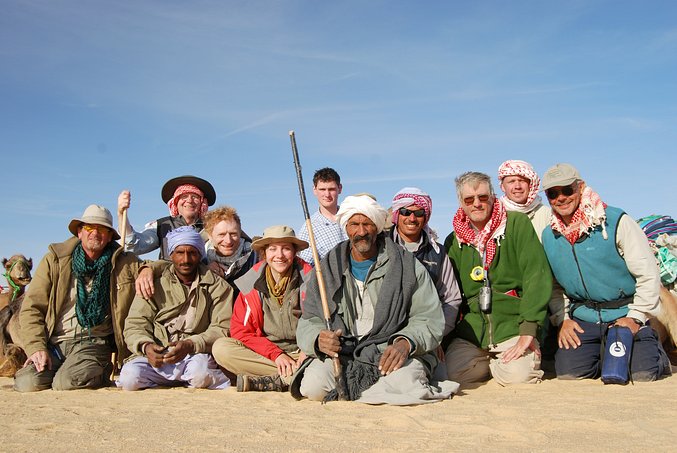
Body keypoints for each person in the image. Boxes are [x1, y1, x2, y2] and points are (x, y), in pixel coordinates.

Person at [292, 195, 459, 405]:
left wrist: (406, 342)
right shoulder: (327, 267)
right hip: (344, 352)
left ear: (377, 227)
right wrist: (318, 339)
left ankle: (367, 390)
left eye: (367, 224)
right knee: (313, 387)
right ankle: (370, 391)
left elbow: (428, 318)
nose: (361, 232)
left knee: (404, 385)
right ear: (346, 227)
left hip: (391, 352)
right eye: (354, 224)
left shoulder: (407, 265)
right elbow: (309, 318)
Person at [541, 163, 670, 381]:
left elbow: (648, 274)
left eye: (567, 190)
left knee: (641, 374)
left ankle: (657, 354)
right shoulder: (549, 235)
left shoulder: (615, 221)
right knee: (569, 374)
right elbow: (554, 286)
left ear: (580, 188)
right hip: (583, 318)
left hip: (624, 313)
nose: (560, 198)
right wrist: (563, 318)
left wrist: (635, 318)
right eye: (553, 194)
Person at [15, 205, 140, 392]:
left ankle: (101, 370)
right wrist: (36, 347)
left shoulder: (124, 262)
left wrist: (146, 270)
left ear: (109, 236)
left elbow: (161, 268)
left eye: (102, 229)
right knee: (27, 383)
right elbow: (32, 308)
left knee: (66, 382)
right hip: (56, 343)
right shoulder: (55, 261)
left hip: (94, 342)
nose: (95, 233)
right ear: (80, 232)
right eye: (90, 228)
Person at [444, 172, 552, 386]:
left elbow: (536, 276)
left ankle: (507, 361)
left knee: (518, 378)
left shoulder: (516, 224)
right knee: (452, 375)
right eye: (469, 199)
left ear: (493, 197)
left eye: (483, 197)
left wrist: (528, 330)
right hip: (473, 333)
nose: (477, 204)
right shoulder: (453, 241)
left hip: (513, 326)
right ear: (461, 203)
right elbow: (448, 293)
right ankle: (494, 361)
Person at [117, 226, 233, 390]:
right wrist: (146, 346)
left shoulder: (218, 286)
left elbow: (222, 327)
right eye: (180, 252)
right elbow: (135, 324)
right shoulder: (153, 283)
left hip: (194, 355)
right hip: (157, 355)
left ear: (200, 254)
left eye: (192, 253)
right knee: (130, 378)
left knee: (200, 374)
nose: (186, 259)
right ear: (171, 254)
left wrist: (190, 344)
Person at [211, 225, 312, 392]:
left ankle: (279, 379)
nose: (279, 255)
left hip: (303, 353)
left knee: (326, 361)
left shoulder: (310, 279)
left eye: (286, 249)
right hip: (267, 354)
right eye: (273, 249)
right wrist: (276, 354)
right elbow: (241, 331)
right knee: (221, 348)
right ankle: (293, 376)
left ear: (294, 253)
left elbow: (321, 320)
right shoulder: (250, 283)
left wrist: (307, 351)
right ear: (264, 254)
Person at [389, 187, 462, 337]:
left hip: (426, 333)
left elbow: (451, 300)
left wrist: (435, 336)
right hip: (385, 331)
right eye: (405, 212)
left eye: (419, 213)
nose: (412, 218)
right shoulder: (381, 246)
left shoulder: (438, 253)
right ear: (397, 214)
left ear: (426, 216)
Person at [118, 175, 216, 259]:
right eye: (184, 196)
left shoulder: (212, 228)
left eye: (195, 197)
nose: (189, 201)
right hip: (168, 279)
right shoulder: (162, 226)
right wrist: (121, 214)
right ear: (176, 202)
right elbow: (135, 246)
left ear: (202, 202)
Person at [297, 167, 347, 266]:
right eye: (322, 189)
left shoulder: (351, 216)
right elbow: (305, 266)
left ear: (340, 188)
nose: (327, 194)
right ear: (314, 190)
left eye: (331, 189)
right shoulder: (309, 228)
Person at [203, 205, 258, 294]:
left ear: (240, 233)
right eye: (221, 234)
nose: (228, 241)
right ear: (210, 236)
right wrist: (204, 271)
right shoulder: (199, 259)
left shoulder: (256, 258)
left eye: (233, 234)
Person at [497, 160, 551, 240]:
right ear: (502, 187)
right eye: (511, 182)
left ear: (530, 184)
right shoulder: (496, 215)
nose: (517, 186)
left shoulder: (547, 214)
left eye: (522, 181)